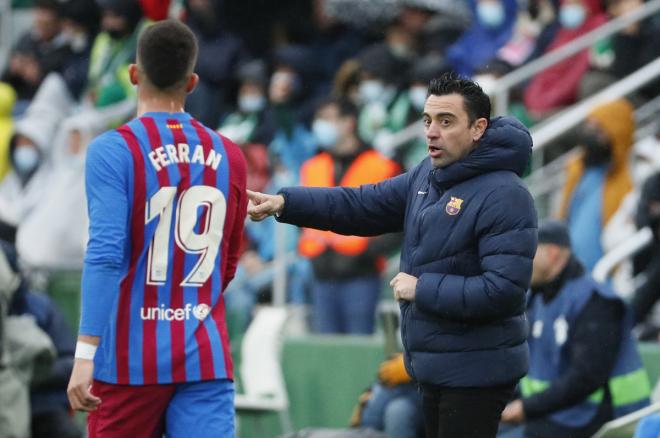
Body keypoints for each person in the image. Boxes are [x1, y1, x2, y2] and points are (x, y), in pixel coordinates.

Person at [247, 72, 537, 438]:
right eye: (428, 121)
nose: (431, 132)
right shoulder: (427, 176)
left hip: (476, 371)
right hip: (433, 366)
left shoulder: (505, 194)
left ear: (478, 128)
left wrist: (423, 288)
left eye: (446, 122)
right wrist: (286, 203)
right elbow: (361, 203)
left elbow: (504, 290)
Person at [66, 20, 247, 438]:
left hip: (129, 361)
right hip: (203, 353)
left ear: (133, 74)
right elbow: (229, 261)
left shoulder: (114, 150)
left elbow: (107, 252)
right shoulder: (229, 154)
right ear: (193, 81)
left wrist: (84, 353)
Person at [500, 220, 651, 438]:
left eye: (527, 253)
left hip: (594, 416)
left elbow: (586, 378)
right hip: (552, 412)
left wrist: (526, 408)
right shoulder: (537, 298)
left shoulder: (596, 302)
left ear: (552, 253)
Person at [302, 97, 401, 334]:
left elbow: (399, 221)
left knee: (358, 350)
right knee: (325, 352)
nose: (320, 125)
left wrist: (368, 252)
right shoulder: (313, 166)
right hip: (321, 272)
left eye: (328, 118)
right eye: (319, 119)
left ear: (348, 123)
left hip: (360, 274)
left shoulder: (382, 165)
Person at [558, 99, 635, 271]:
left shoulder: (628, 183)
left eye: (599, 130)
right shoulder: (577, 170)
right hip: (568, 273)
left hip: (602, 278)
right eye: (589, 126)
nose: (590, 134)